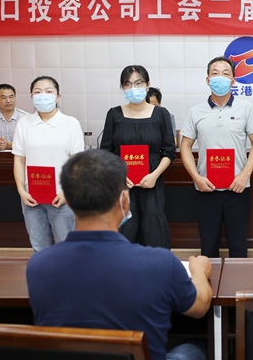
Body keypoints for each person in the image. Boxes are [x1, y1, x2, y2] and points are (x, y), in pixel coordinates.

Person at [26, 149, 212, 360]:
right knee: (197, 348)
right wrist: (199, 272)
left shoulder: (38, 265)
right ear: (124, 201)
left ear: (68, 201)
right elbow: (200, 307)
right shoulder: (161, 263)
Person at [180, 57, 253, 258]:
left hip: (238, 188)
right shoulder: (196, 112)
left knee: (238, 245)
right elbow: (185, 146)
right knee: (208, 245)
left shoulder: (246, 108)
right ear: (208, 80)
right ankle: (207, 279)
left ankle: (238, 280)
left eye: (226, 74)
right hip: (206, 188)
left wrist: (244, 175)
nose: (220, 77)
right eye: (215, 73)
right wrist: (196, 178)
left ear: (233, 80)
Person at [101, 65, 176, 248]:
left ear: (147, 85)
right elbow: (106, 152)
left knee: (153, 232)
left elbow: (169, 151)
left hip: (152, 181)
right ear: (122, 88)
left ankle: (155, 265)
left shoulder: (161, 114)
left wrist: (154, 175)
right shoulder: (114, 114)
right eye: (128, 84)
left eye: (138, 83)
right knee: (125, 229)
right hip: (123, 184)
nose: (133, 88)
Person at [12, 76, 84, 252]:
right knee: (39, 247)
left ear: (58, 97)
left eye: (48, 91)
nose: (42, 95)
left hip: (61, 196)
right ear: (32, 97)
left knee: (65, 246)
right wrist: (22, 191)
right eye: (37, 92)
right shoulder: (23, 123)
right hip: (31, 197)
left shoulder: (70, 123)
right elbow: (19, 160)